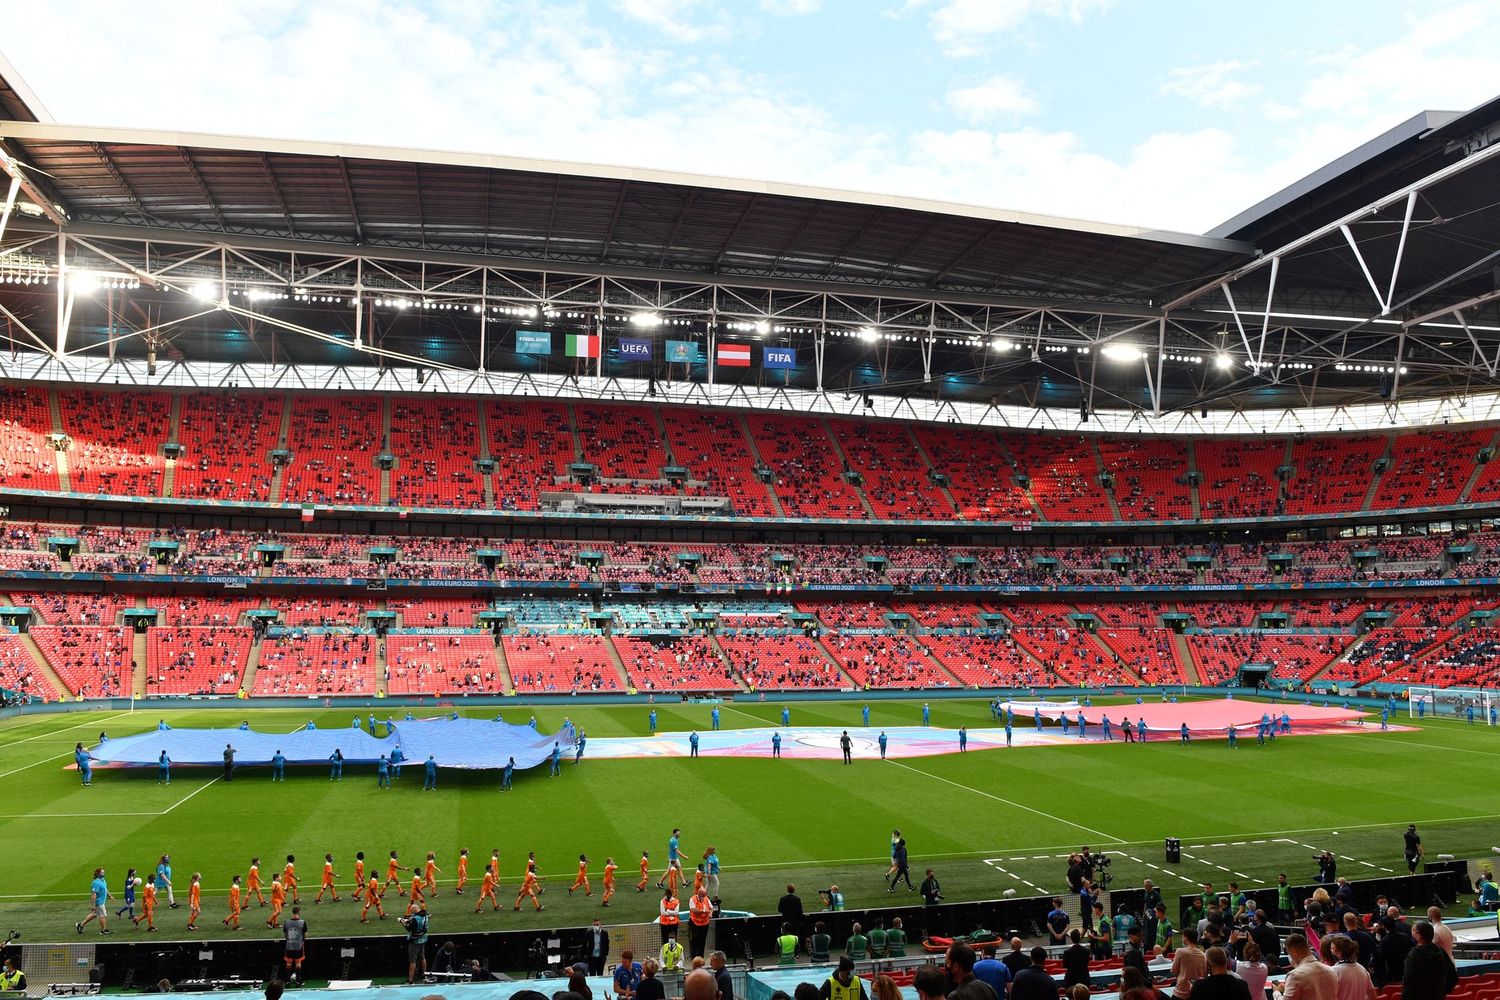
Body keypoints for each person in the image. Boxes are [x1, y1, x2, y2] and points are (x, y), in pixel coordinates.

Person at [1400, 920, 1457, 1000]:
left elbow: (1408, 983)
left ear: (1419, 936)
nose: (1412, 934)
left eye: (1413, 932)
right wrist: (1442, 992)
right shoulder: (1440, 951)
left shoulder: (1413, 956)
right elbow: (1453, 977)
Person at [1273, 933, 1335, 1000]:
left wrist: (1276, 992)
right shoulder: (1331, 971)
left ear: (1294, 952)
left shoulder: (1294, 976)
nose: (1291, 957)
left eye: (1290, 954)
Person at [1172, 928, 1208, 996]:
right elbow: (1204, 974)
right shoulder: (1203, 954)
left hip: (1181, 992)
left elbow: (1174, 971)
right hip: (1197, 992)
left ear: (1186, 937)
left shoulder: (1180, 951)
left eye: (1183, 937)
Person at [77, 867, 111, 935]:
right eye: (102, 872)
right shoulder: (95, 883)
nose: (103, 873)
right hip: (99, 902)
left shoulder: (103, 880)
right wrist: (93, 905)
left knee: (95, 915)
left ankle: (80, 925)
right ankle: (104, 930)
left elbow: (105, 888)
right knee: (102, 915)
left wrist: (109, 895)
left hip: (101, 901)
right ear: (98, 874)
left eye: (103, 872)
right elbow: (94, 894)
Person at [403, 902, 429, 985]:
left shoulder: (415, 918)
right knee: (422, 957)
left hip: (415, 941)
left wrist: (403, 923)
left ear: (414, 910)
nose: (411, 913)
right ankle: (424, 975)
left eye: (412, 911)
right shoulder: (425, 915)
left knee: (412, 961)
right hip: (423, 939)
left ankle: (410, 980)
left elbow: (410, 929)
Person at [282, 905, 307, 981]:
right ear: (299, 912)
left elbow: (285, 936)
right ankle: (298, 981)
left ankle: (287, 981)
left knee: (288, 963)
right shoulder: (302, 922)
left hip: (289, 946)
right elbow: (305, 935)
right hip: (299, 946)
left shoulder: (286, 922)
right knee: (298, 962)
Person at [688, 886, 713, 959]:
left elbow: (711, 908)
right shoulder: (692, 899)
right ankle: (694, 957)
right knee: (695, 940)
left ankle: (701, 957)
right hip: (695, 923)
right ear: (699, 894)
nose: (704, 897)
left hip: (705, 923)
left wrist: (711, 913)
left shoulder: (706, 899)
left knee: (703, 940)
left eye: (704, 896)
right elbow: (694, 910)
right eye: (703, 896)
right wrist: (704, 911)